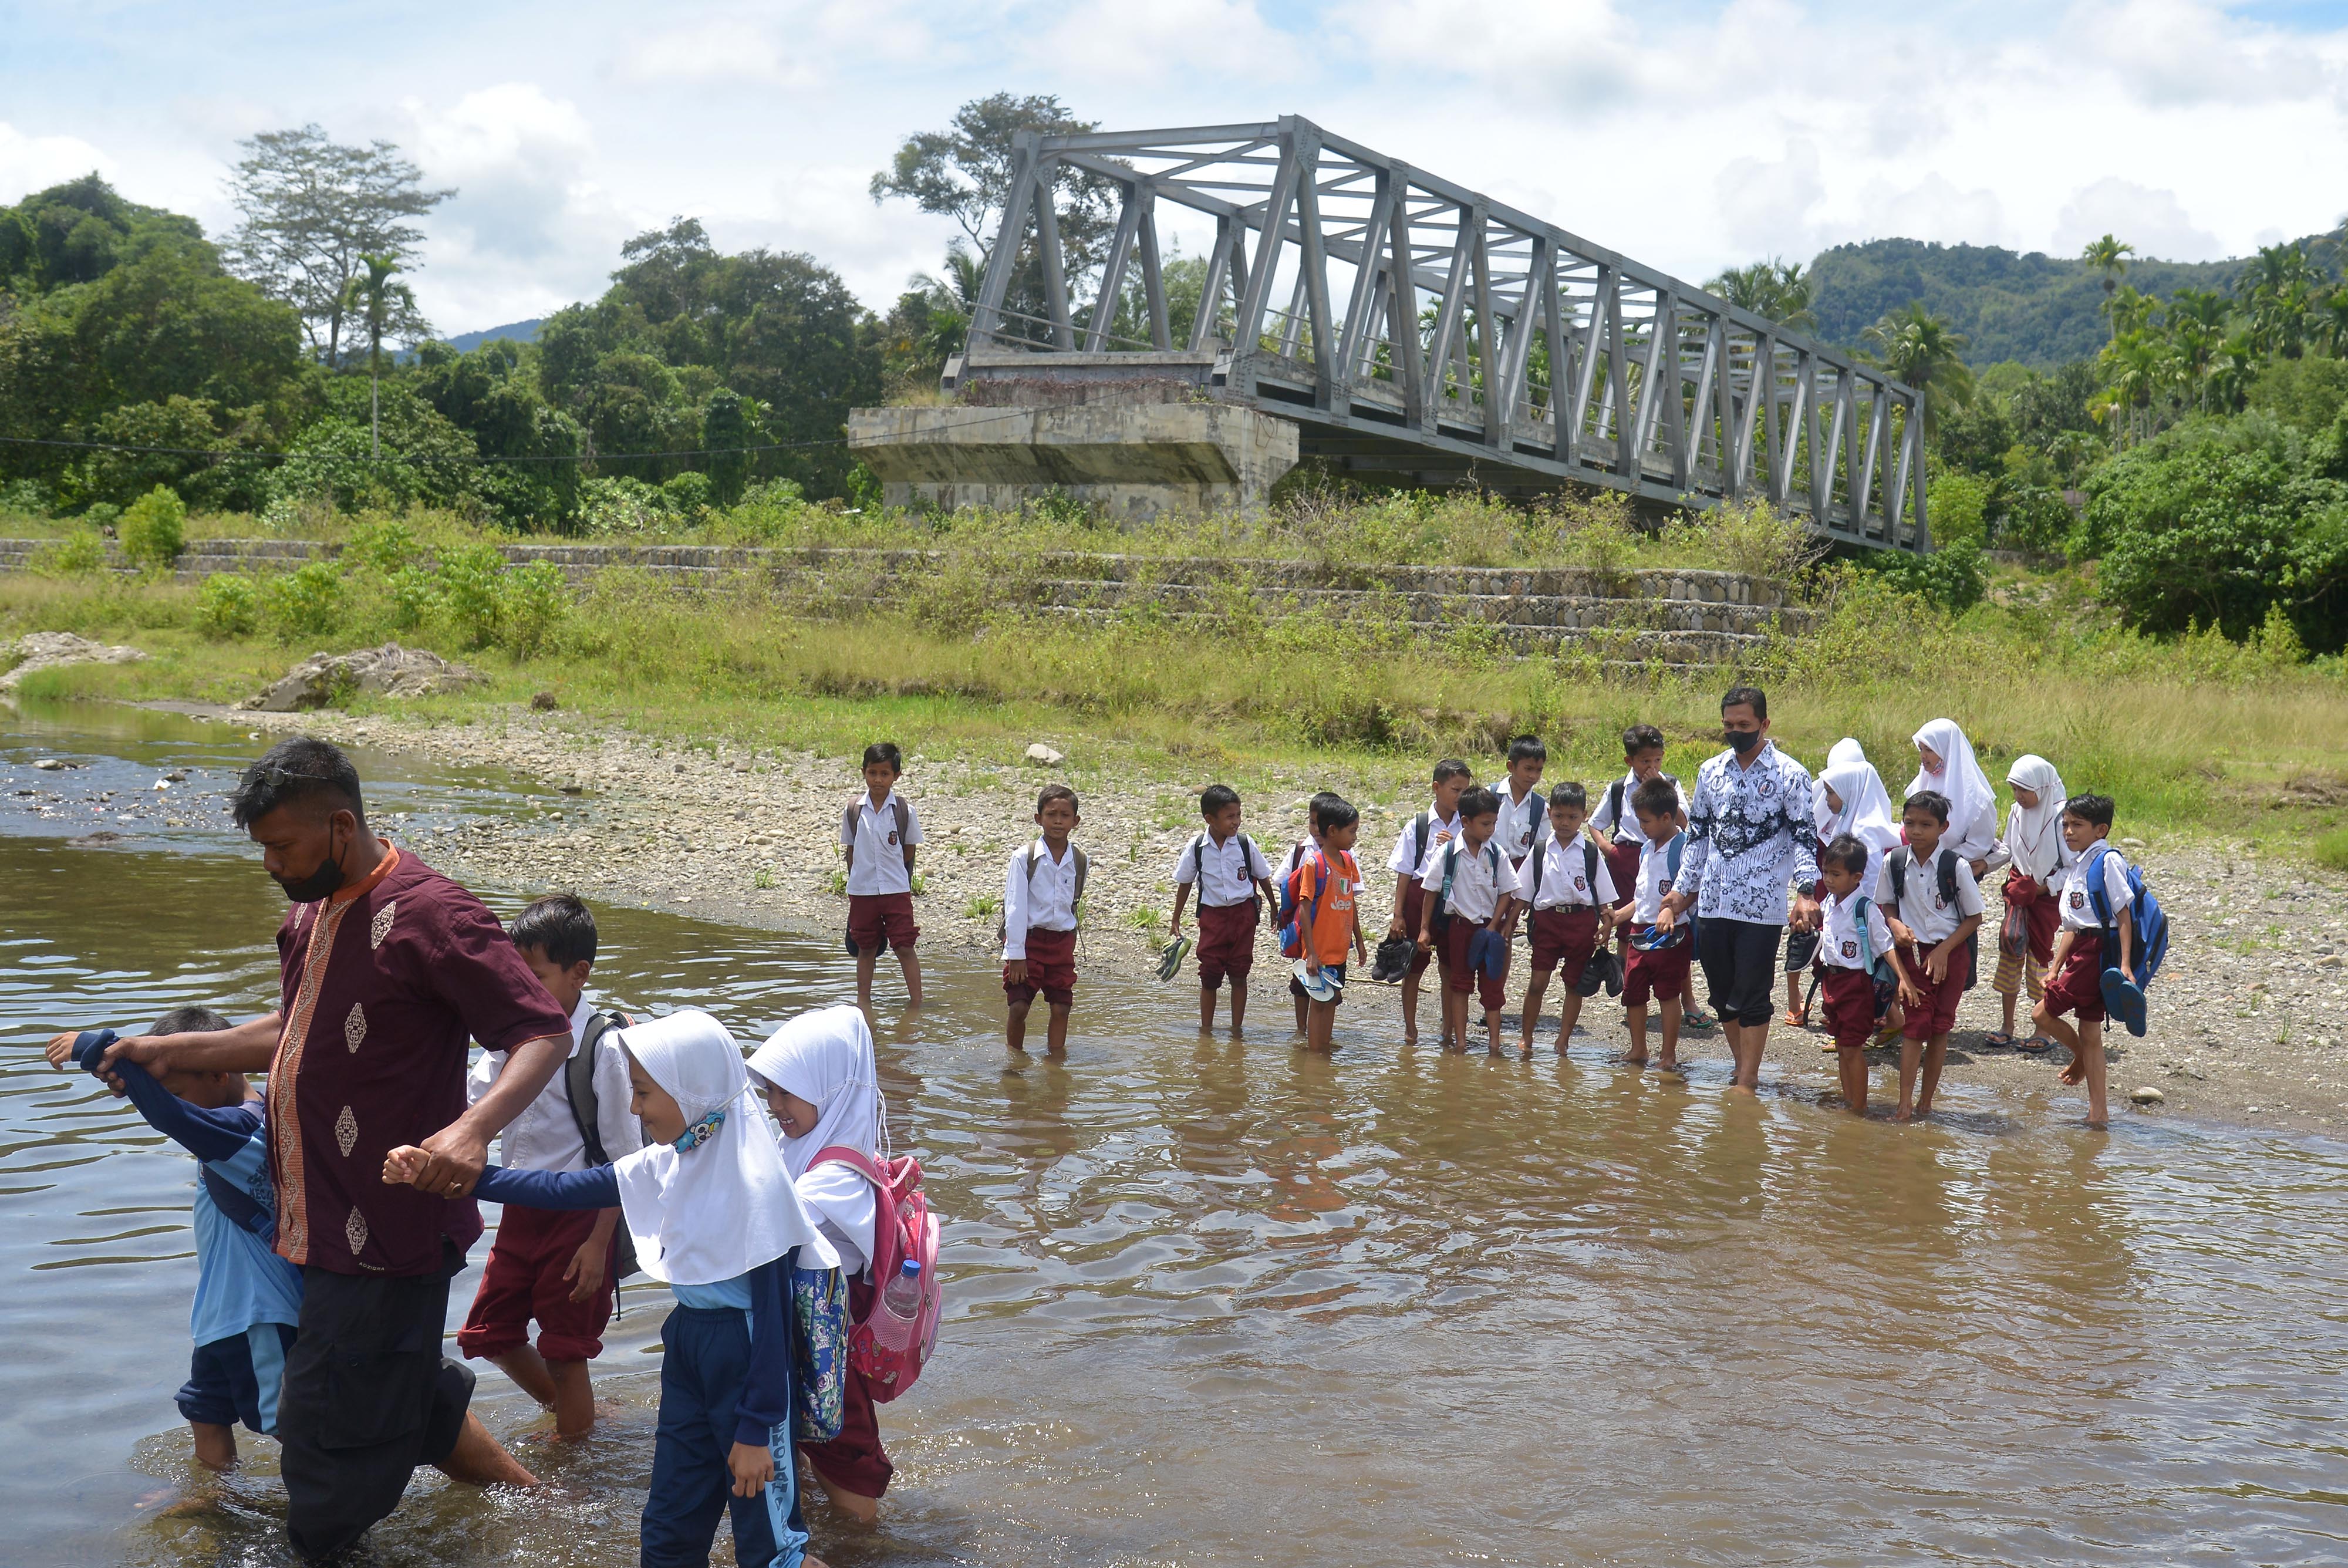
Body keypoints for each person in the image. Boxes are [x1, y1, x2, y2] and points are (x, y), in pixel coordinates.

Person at [84, 737, 566, 1560]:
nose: (270, 863)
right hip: (316, 1224)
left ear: (341, 826)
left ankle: (319, 1548)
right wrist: (163, 1051)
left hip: (389, 1228)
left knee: (322, 1435)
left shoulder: (435, 915)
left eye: (282, 845)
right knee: (383, 1391)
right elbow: (292, 1028)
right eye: (263, 847)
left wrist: (473, 1127)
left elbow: (541, 1030)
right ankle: (542, 1507)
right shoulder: (308, 915)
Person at [384, 1010, 841, 1568]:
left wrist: (756, 1429)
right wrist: (462, 1174)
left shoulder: (758, 1184)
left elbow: (771, 1322)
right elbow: (560, 1188)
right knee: (668, 1532)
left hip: (746, 1360)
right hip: (689, 1344)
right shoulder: (672, 1159)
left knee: (770, 1545)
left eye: (644, 1093)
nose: (634, 1109)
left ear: (691, 1091)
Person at [52, 1007, 303, 1473]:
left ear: (219, 1071)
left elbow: (170, 1117)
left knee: (287, 1423)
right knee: (205, 1407)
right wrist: (134, 1078)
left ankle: (329, 1503)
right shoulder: (254, 1116)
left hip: (257, 1309)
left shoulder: (241, 1131)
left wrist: (97, 1050)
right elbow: (175, 1110)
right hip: (221, 1308)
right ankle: (214, 1496)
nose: (180, 1104)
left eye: (180, 1091)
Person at [457, 895, 642, 1439]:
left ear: (578, 973)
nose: (523, 988)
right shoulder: (510, 1039)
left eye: (535, 977)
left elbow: (625, 1160)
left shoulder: (602, 1046)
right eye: (517, 976)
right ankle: (573, 1415)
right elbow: (466, 1106)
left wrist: (598, 1244)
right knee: (488, 1331)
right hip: (522, 1210)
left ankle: (573, 1456)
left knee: (566, 1348)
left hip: (581, 1217)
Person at [749, 1006, 895, 1526]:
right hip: (802, 1339)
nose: (774, 1106)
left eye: (787, 1092)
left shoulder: (838, 1174)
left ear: (830, 1089)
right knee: (806, 1445)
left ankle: (866, 1547)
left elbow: (767, 1229)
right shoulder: (797, 1147)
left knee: (846, 1461)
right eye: (769, 1091)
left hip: (829, 1350)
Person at [1659, 686, 1823, 1092]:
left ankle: (1748, 1078)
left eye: (1744, 724)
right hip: (1713, 903)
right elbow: (1697, 837)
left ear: (1764, 724)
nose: (1736, 731)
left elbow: (1805, 837)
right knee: (1721, 996)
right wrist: (1680, 893)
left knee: (1752, 994)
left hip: (1761, 906)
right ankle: (1740, 1064)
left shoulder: (1791, 775)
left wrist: (1805, 891)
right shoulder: (1710, 771)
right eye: (1728, 725)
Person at [1591, 724, 1713, 1032]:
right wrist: (1608, 850)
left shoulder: (1671, 785)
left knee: (1672, 955)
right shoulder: (1619, 788)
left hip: (1669, 858)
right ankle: (1630, 996)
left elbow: (1687, 824)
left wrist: (1663, 788)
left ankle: (1686, 1004)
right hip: (1631, 857)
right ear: (1630, 760)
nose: (1652, 766)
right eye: (1646, 761)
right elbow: (1596, 823)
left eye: (1657, 759)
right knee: (1630, 938)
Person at [1877, 790, 1985, 1122]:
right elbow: (1887, 904)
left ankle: (1926, 1103)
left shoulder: (1956, 866)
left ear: (1943, 828)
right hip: (1913, 954)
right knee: (1914, 1026)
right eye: (1910, 823)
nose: (1916, 831)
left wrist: (1943, 950)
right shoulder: (1894, 862)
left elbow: (1974, 917)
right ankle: (1904, 1105)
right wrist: (1895, 924)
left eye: (1926, 825)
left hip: (1951, 953)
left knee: (1940, 1027)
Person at [2033, 793, 2135, 1129]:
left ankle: (2078, 1057)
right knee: (2091, 1032)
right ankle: (2098, 1114)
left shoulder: (2107, 861)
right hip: (2082, 947)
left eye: (2077, 825)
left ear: (2100, 830)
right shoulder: (2079, 863)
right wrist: (2054, 968)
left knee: (2042, 1014)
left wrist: (2125, 965)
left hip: (2097, 952)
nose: (2068, 832)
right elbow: (2072, 926)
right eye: (2065, 825)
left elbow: (2123, 915)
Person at [1797, 741, 1902, 1037]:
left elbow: (1869, 881)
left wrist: (1849, 910)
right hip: (1845, 909)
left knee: (1861, 970)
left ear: (1848, 791)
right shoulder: (1849, 819)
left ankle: (1859, 1030)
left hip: (1858, 913)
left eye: (1831, 793)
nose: (1827, 799)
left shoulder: (1863, 830)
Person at [1414, 785, 1522, 1055]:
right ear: (1466, 821)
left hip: (1491, 931)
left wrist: (1495, 925)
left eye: (1494, 823)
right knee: (1460, 985)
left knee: (1493, 988)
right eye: (1486, 824)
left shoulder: (1497, 853)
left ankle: (1494, 1045)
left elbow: (1508, 891)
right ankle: (1460, 1043)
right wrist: (1425, 929)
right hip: (1460, 929)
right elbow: (1431, 891)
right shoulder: (1448, 853)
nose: (1491, 830)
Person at [1516, 783, 1618, 1057]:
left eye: (1572, 817)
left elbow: (1603, 897)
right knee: (1537, 982)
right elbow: (1523, 893)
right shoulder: (1540, 850)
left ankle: (1563, 1040)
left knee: (1575, 985)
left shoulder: (1589, 852)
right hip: (1547, 922)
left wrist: (1607, 925)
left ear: (1584, 816)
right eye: (1559, 816)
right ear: (1550, 813)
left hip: (1581, 924)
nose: (1565, 823)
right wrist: (1508, 923)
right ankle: (1527, 1037)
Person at [1168, 784, 1277, 1035]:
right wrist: (1176, 918)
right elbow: (1185, 882)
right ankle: (1206, 1031)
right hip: (1212, 917)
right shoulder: (1197, 847)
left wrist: (1273, 906)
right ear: (1210, 819)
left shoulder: (1244, 844)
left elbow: (1263, 876)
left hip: (1243, 916)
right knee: (1209, 975)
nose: (1236, 821)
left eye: (1238, 815)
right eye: (1230, 816)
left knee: (1240, 973)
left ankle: (1236, 1030)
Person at [1813, 836, 1908, 1115]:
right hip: (1832, 982)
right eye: (1826, 872)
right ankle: (1849, 1102)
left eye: (1836, 874)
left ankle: (1859, 1107)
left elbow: (1886, 946)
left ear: (1857, 877)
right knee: (1842, 1047)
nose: (1828, 880)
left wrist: (1904, 980)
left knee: (1853, 1048)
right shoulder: (1828, 903)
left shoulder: (1865, 909)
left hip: (1857, 985)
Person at [1385, 760, 1472, 1047]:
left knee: (1449, 966)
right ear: (1437, 788)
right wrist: (1398, 914)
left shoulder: (1467, 825)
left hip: (1453, 901)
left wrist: (1456, 844)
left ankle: (1448, 1029)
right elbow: (1404, 873)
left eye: (1465, 790)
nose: (1461, 796)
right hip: (1418, 897)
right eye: (1456, 790)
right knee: (1413, 966)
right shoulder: (1419, 826)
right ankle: (1410, 1029)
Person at [1992, 755, 2070, 1053]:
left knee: (2039, 959)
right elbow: (2008, 849)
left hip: (2045, 901)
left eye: (2024, 790)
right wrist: (1981, 864)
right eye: (2014, 789)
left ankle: (2043, 1029)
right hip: (2020, 894)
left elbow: (2071, 867)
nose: (2019, 796)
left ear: (2042, 787)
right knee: (2011, 953)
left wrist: (2041, 888)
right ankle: (2007, 1025)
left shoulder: (2062, 817)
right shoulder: (2017, 812)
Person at [841, 743, 925, 1010]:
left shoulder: (904, 811)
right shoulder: (854, 810)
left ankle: (917, 1003)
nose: (878, 780)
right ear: (863, 772)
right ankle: (863, 1003)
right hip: (863, 891)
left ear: (896, 776)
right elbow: (851, 850)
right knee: (865, 947)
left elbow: (909, 850)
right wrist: (859, 878)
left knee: (904, 945)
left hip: (895, 890)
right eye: (873, 773)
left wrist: (891, 872)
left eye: (885, 774)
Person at [1003, 784, 1084, 1055]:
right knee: (1019, 1006)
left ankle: (1055, 1061)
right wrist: (1016, 955)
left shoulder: (1079, 860)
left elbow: (1071, 903)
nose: (1058, 821)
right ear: (1039, 818)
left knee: (1062, 1007)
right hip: (1029, 942)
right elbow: (1014, 907)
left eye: (1065, 815)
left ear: (1076, 821)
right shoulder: (1024, 858)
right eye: (1051, 815)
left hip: (1062, 944)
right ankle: (1015, 1061)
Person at [1621, 777, 1693, 1072]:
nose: (1641, 827)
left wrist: (1672, 911)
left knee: (1668, 993)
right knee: (1633, 992)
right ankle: (1638, 1048)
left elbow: (1694, 891)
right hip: (1639, 932)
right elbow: (1642, 898)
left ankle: (1668, 1054)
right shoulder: (1646, 849)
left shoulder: (1683, 848)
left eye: (1646, 821)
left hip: (1671, 935)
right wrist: (1618, 916)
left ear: (1666, 817)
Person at [1293, 795, 1367, 1054]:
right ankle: (1316, 1057)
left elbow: (1350, 902)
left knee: (1332, 998)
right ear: (1333, 831)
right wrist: (1311, 953)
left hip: (1339, 948)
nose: (1355, 837)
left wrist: (1359, 940)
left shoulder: (1348, 861)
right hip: (1320, 949)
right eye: (1352, 831)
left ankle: (1323, 1048)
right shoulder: (1314, 864)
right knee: (1318, 1002)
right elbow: (1304, 908)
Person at [1908, 719, 2006, 878]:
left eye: (1929, 750)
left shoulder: (1974, 798)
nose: (1923, 756)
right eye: (1921, 749)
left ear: (1946, 750)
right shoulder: (1923, 782)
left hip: (1953, 872)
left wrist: (1940, 860)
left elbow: (1980, 844)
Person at [1279, 793, 1342, 1034]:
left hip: (1332, 929)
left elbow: (1350, 896)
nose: (1316, 829)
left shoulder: (1345, 856)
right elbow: (1283, 882)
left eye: (1321, 823)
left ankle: (1322, 1032)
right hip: (1304, 928)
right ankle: (1302, 1030)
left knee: (1331, 980)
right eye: (1312, 822)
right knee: (1301, 979)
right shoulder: (1301, 851)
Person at [1490, 736, 1550, 875]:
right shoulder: (1489, 796)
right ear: (1511, 767)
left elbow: (1540, 849)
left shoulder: (1540, 807)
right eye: (1528, 769)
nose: (1533, 776)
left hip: (1522, 874)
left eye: (1539, 770)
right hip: (1488, 869)